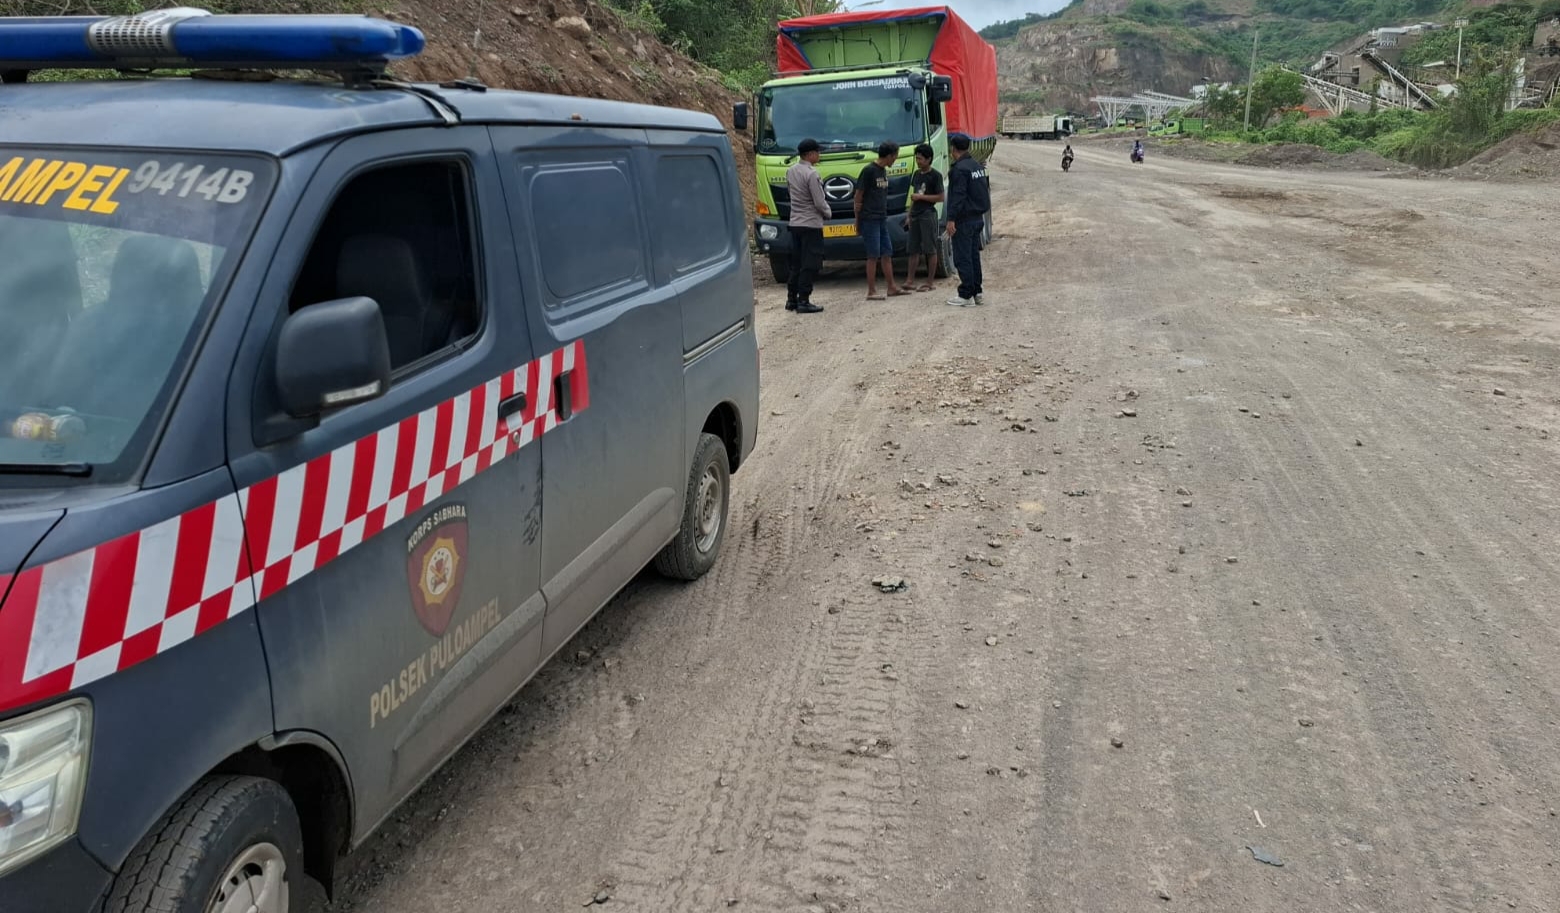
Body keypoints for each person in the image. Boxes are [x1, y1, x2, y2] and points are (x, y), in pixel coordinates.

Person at [855, 141, 909, 300]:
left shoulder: (883, 171)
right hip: (869, 218)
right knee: (873, 255)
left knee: (887, 253)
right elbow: (858, 196)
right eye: (895, 156)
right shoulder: (869, 171)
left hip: (881, 218)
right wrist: (857, 221)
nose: (895, 159)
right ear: (890, 156)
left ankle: (891, 287)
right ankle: (871, 291)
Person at [944, 133, 990, 307]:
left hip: (964, 220)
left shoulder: (959, 169)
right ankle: (977, 292)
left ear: (953, 148)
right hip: (977, 218)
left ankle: (966, 295)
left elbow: (958, 196)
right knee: (973, 257)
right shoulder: (976, 166)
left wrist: (951, 219)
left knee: (963, 258)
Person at [785, 138, 829, 314]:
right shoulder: (812, 174)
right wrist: (828, 213)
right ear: (810, 154)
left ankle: (791, 299)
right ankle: (804, 300)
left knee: (796, 263)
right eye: (817, 152)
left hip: (795, 222)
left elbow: (790, 193)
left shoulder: (791, 171)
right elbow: (819, 201)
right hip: (811, 223)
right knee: (810, 263)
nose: (819, 155)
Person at [902, 143, 944, 293]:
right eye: (917, 158)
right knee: (912, 249)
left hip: (928, 214)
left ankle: (930, 282)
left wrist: (922, 197)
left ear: (929, 159)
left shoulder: (936, 176)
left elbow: (940, 197)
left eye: (920, 159)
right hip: (915, 215)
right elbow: (914, 196)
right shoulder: (917, 174)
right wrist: (909, 215)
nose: (918, 161)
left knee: (930, 249)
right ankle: (910, 280)